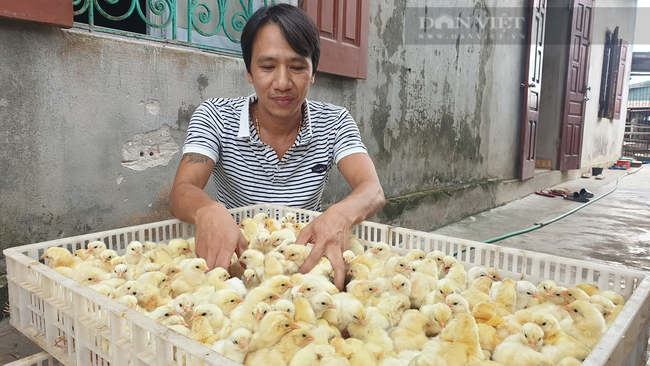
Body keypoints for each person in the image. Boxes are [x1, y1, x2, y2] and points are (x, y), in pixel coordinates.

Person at [169, 4, 384, 291]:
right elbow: (183, 190)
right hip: (240, 262)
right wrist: (208, 210)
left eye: (296, 67)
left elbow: (372, 190)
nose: (282, 83)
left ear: (313, 72)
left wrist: (340, 215)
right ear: (249, 71)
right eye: (267, 67)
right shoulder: (215, 117)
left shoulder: (335, 121)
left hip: (305, 264)